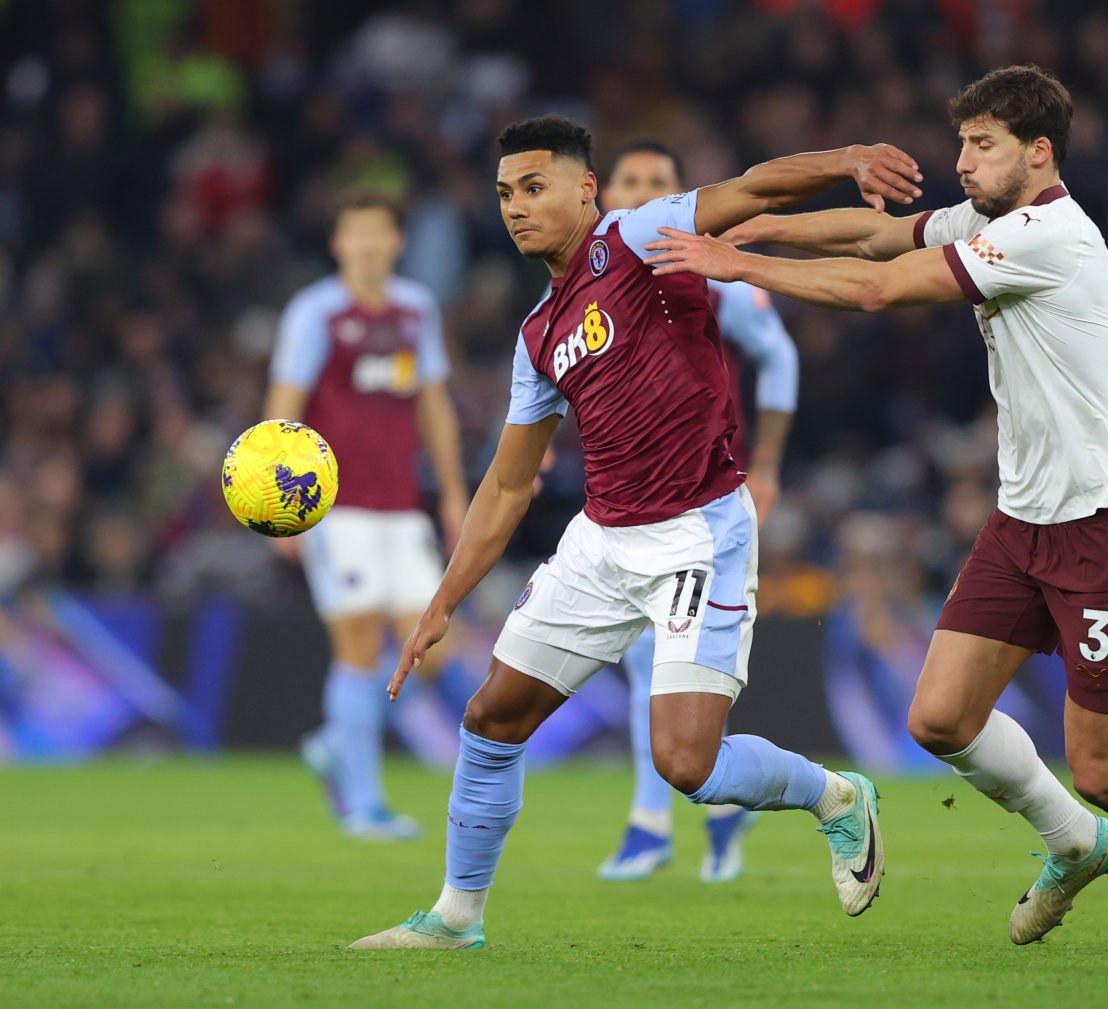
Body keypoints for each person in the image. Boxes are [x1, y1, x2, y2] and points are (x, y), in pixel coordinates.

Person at [645, 65, 1108, 954]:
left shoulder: (1048, 235)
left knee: (1105, 767)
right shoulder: (990, 219)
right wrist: (759, 223)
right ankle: (1073, 843)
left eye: (982, 145)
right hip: (1023, 523)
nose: (963, 161)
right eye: (962, 143)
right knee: (939, 717)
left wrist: (737, 263)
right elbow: (875, 236)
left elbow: (880, 288)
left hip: (1107, 526)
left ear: (1039, 151)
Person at [350, 115, 923, 949]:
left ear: (587, 189)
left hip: (699, 532)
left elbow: (754, 189)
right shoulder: (539, 335)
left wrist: (846, 160)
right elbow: (509, 483)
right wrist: (442, 602)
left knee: (686, 764)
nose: (517, 207)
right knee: (492, 716)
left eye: (534, 187)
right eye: (506, 193)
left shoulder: (635, 237)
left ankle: (837, 796)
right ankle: (454, 916)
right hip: (602, 538)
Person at [594, 141, 800, 883]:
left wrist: (769, 462)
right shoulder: (587, 279)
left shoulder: (713, 277)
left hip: (703, 502)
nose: (642, 194)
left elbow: (780, 357)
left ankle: (649, 826)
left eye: (659, 185)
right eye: (631, 181)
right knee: (651, 666)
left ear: (678, 200)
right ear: (605, 192)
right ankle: (717, 805)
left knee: (658, 659)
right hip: (624, 503)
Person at [266, 191, 468, 841]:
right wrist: (282, 508)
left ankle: (333, 743)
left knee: (429, 651)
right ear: (338, 244)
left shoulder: (416, 310)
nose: (369, 245)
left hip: (402, 507)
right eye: (356, 234)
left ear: (397, 242)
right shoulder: (315, 313)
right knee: (358, 650)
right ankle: (364, 802)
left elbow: (433, 402)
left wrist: (456, 492)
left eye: (379, 233)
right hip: (335, 509)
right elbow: (284, 407)